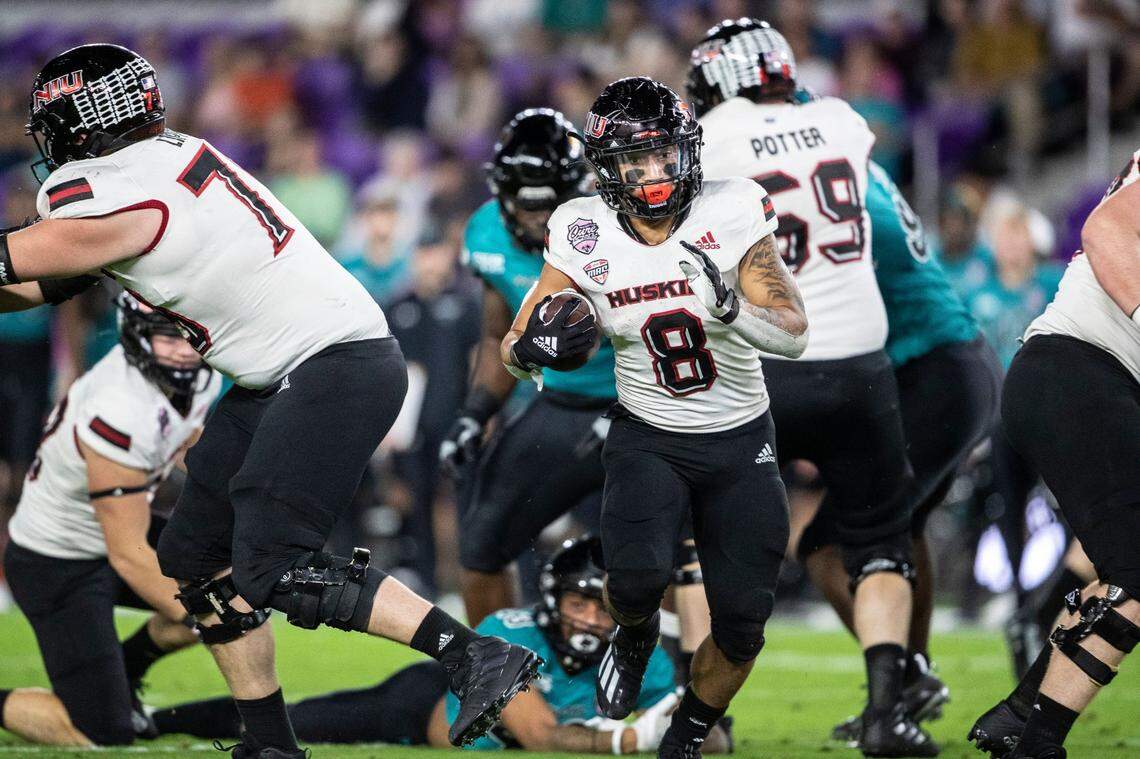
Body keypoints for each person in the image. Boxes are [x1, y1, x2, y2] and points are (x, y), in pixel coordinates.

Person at [0, 44, 539, 758]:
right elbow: (53, 278)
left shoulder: (111, 191)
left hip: (328, 364)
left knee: (269, 564)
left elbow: (34, 258)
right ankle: (270, 742)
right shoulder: (164, 157)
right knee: (194, 554)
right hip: (291, 367)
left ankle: (471, 654)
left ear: (77, 121)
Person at [502, 76, 808, 759]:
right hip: (649, 434)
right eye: (634, 161)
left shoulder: (731, 210)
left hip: (739, 438)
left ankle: (687, 734)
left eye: (663, 155)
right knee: (636, 581)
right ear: (607, 170)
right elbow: (516, 347)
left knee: (743, 624)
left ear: (687, 152)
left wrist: (733, 307)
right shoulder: (581, 229)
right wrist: (534, 347)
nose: (653, 174)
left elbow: (794, 332)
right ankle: (636, 633)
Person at [688, 19, 932, 756]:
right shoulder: (840, 119)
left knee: (701, 535)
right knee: (883, 542)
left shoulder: (714, 137)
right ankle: (889, 711)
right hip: (862, 360)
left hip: (770, 361)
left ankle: (705, 719)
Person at [148, 536, 732, 754]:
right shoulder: (512, 633)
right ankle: (160, 718)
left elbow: (718, 740)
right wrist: (637, 737)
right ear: (551, 601)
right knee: (302, 720)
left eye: (600, 607)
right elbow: (540, 736)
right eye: (578, 602)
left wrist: (688, 728)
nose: (588, 619)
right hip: (422, 705)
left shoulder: (642, 654)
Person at [815, 160, 1002, 747]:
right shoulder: (849, 172)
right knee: (902, 523)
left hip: (932, 373)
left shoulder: (823, 185)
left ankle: (902, 688)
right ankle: (910, 680)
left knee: (829, 544)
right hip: (947, 370)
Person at [969, 151, 1140, 759]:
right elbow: (1105, 228)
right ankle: (1037, 740)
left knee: (1114, 563)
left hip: (1080, 380)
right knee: (1136, 568)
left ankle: (1020, 712)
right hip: (1078, 373)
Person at [0, 294, 220, 747]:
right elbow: (129, 554)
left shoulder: (201, 374)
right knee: (100, 732)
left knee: (230, 583)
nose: (184, 348)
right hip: (57, 561)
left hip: (111, 532)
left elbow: (183, 442)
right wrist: (208, 614)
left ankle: (126, 672)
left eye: (189, 333)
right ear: (139, 335)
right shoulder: (117, 406)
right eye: (168, 335)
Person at [439, 108, 616, 625]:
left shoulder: (611, 223)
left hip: (640, 403)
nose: (536, 220)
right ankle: (500, 680)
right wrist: (475, 412)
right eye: (524, 203)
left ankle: (668, 687)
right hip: (559, 404)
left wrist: (633, 409)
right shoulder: (485, 233)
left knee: (663, 553)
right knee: (481, 546)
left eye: (549, 205)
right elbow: (497, 334)